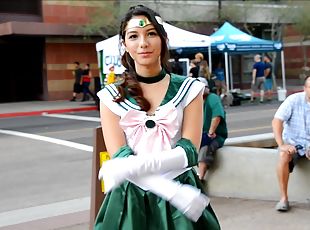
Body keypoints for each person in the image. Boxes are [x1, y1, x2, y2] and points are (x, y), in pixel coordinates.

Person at [95, 5, 220, 229]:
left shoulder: (189, 89)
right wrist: (171, 191)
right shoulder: (110, 97)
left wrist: (174, 189)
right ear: (125, 45)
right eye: (134, 36)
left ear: (163, 39)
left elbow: (189, 151)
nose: (143, 43)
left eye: (151, 34)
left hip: (180, 198)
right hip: (131, 200)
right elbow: (120, 158)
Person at [272, 75, 310, 212]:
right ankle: (283, 198)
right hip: (292, 142)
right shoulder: (293, 100)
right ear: (305, 88)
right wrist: (282, 144)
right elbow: (277, 121)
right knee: (283, 156)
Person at [197, 77, 228, 182]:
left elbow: (217, 115)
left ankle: (200, 177)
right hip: (200, 136)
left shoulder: (212, 98)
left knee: (206, 147)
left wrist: (211, 132)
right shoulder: (196, 102)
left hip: (216, 136)